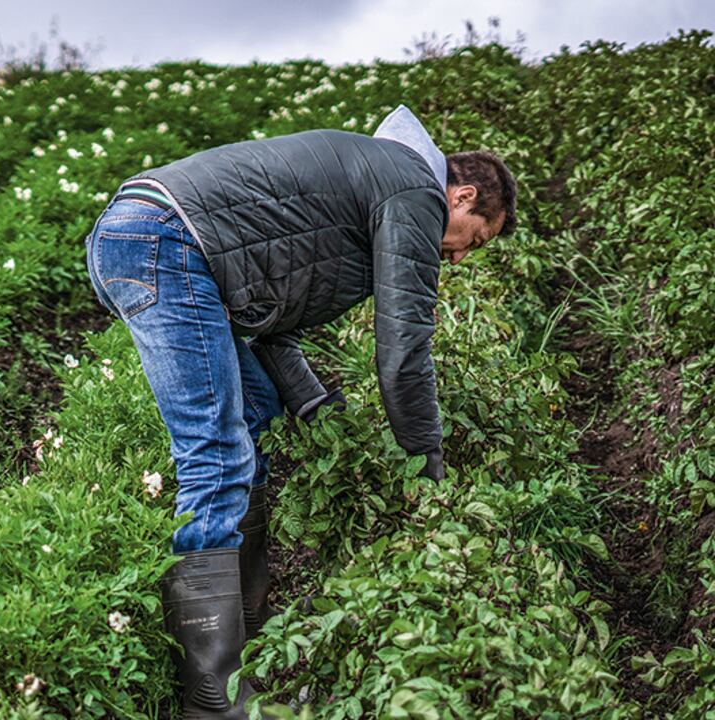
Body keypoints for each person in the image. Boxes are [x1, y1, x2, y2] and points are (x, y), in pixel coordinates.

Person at [82, 104, 516, 718]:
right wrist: (427, 474)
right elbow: (403, 353)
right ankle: (214, 696)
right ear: (463, 195)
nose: (463, 256)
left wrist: (316, 405)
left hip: (147, 235)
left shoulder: (376, 183)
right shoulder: (414, 190)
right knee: (215, 448)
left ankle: (249, 624)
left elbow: (271, 317)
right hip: (164, 242)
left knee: (254, 414)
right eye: (476, 237)